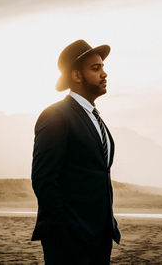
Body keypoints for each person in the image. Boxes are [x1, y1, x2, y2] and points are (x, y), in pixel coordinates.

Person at [30, 39, 121, 264]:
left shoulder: (95, 117)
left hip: (100, 238)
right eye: (95, 68)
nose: (104, 73)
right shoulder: (56, 115)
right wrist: (63, 232)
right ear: (76, 76)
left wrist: (106, 227)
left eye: (103, 67)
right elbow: (43, 179)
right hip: (69, 241)